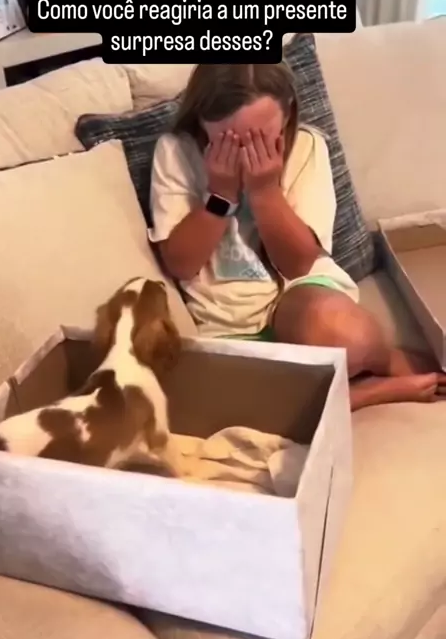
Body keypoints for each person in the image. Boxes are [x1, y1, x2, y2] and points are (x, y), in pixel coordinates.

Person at [148, 63, 446, 411]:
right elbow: (181, 265)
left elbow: (299, 264)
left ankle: (381, 360)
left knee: (343, 333)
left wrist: (264, 191)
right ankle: (368, 393)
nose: (247, 153)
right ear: (201, 120)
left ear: (287, 114)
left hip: (298, 293)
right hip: (224, 319)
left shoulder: (306, 146)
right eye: (228, 141)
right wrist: (220, 196)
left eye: (262, 138)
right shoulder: (175, 151)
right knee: (216, 405)